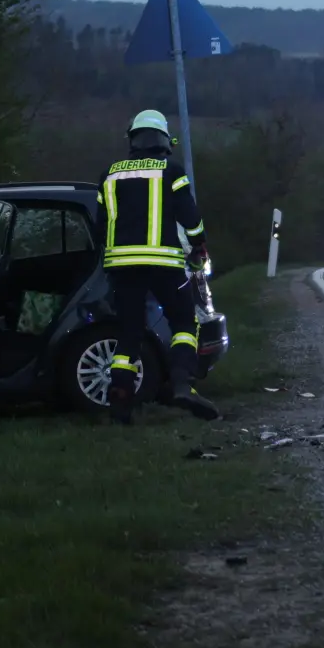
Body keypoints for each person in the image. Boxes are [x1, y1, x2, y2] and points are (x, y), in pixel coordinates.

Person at [94, 109, 220, 423]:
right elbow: (190, 218)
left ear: (133, 138)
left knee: (130, 332)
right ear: (164, 139)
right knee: (184, 323)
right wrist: (199, 244)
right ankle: (181, 383)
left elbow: (100, 224)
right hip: (164, 263)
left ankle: (120, 401)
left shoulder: (110, 174)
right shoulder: (171, 171)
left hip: (121, 266)